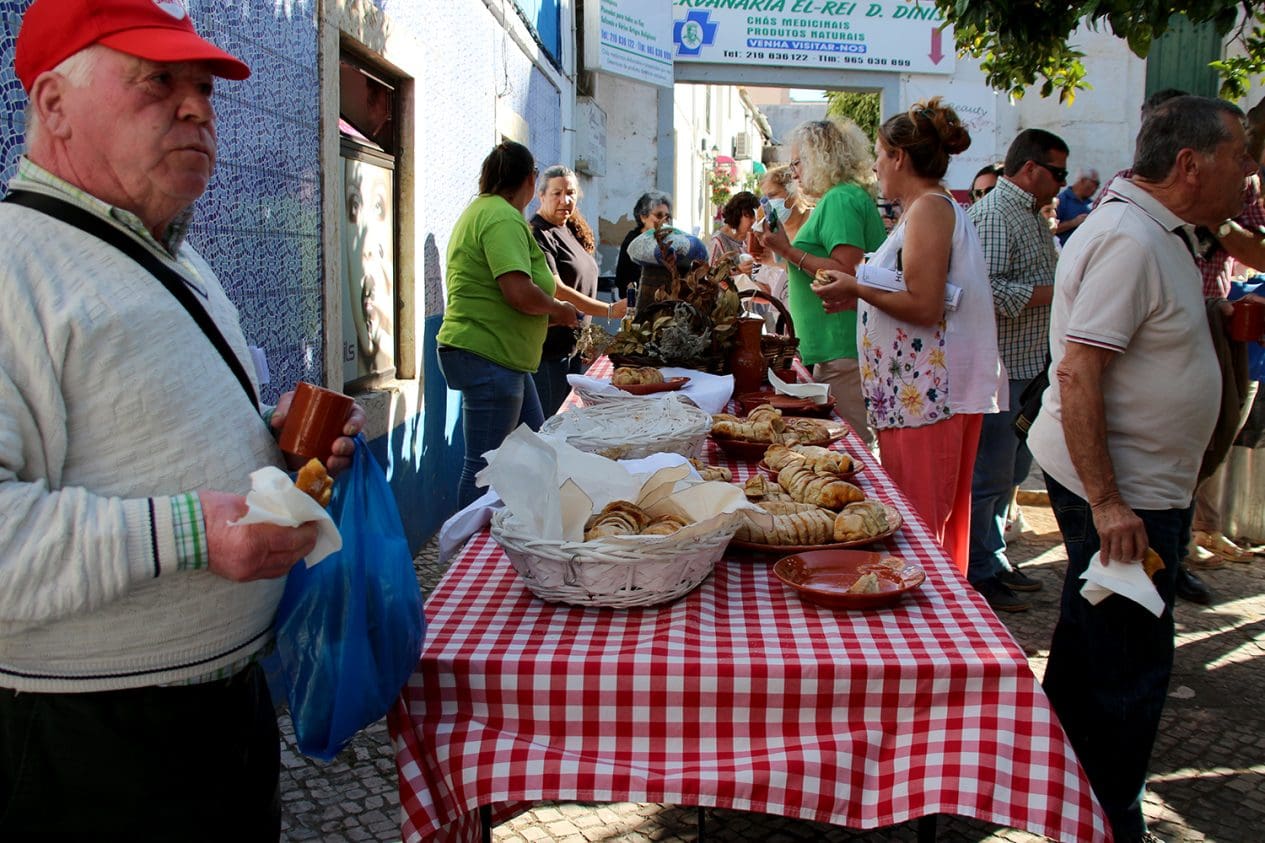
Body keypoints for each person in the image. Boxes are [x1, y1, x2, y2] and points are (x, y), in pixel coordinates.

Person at [0, 1, 366, 836]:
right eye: (157, 82)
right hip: (87, 746)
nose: (197, 107)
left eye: (202, 87)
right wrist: (196, 533)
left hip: (220, 717)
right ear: (54, 104)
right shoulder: (13, 265)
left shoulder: (173, 252)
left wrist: (269, 439)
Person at [1028, 95, 1259, 843]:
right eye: (1239, 156)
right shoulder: (1129, 235)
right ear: (1190, 164)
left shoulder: (1161, 226)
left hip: (1136, 489)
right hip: (1123, 496)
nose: (1249, 171)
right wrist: (1108, 504)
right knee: (1125, 669)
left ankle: (1072, 803)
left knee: (1095, 649)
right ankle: (1108, 821)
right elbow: (1078, 373)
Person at [813, 98, 1005, 573]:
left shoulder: (929, 210)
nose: (875, 166)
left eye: (880, 155)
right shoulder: (921, 210)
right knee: (923, 530)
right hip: (914, 397)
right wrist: (858, 295)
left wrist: (857, 288)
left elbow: (924, 304)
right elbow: (917, 292)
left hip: (928, 399)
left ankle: (934, 616)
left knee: (921, 536)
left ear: (899, 157)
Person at [437, 141, 578, 508]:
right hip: (488, 354)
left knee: (536, 451)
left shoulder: (485, 211)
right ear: (531, 180)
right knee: (485, 467)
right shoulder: (501, 217)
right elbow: (518, 291)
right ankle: (466, 544)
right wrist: (559, 310)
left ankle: (532, 524)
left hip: (501, 356)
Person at [965, 129, 1069, 612]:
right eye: (1058, 173)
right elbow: (985, 291)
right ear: (1030, 169)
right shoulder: (995, 214)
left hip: (1026, 366)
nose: (1062, 183)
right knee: (990, 475)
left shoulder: (1025, 213)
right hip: (1001, 370)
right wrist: (1060, 291)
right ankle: (978, 570)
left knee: (1009, 473)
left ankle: (993, 557)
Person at [753, 118, 887, 448]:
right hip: (835, 348)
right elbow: (824, 264)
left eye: (797, 163)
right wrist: (778, 254)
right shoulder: (839, 198)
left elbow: (846, 272)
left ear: (820, 159)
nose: (794, 173)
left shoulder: (840, 199)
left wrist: (787, 250)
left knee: (849, 445)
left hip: (841, 348)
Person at [529, 165, 627, 417]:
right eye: (556, 193)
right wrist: (610, 310)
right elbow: (557, 289)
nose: (565, 200)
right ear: (541, 196)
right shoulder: (538, 233)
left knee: (567, 419)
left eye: (570, 193)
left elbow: (583, 283)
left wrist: (587, 337)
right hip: (549, 349)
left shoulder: (569, 229)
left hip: (571, 347)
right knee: (550, 421)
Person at [614, 190, 672, 301]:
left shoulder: (669, 240)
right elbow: (623, 281)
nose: (664, 221)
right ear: (643, 217)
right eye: (659, 215)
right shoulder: (633, 241)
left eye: (667, 217)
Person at [710, 190, 760, 276]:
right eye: (750, 216)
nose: (754, 221)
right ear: (737, 215)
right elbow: (711, 276)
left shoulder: (747, 237)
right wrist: (737, 270)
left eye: (755, 217)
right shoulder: (718, 241)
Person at [1053, 168, 1100, 245]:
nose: (1096, 188)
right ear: (1083, 180)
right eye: (1095, 183)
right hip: (1064, 249)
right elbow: (1048, 229)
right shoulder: (1060, 201)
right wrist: (1073, 223)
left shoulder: (1092, 204)